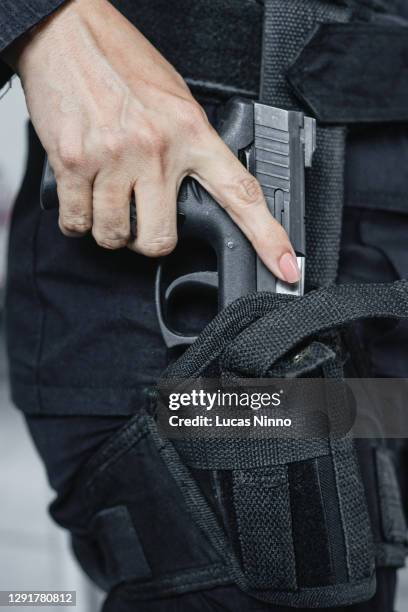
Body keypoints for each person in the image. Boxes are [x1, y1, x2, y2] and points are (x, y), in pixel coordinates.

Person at [0, 0, 407, 610]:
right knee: (274, 571)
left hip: (378, 241)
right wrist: (46, 23)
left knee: (351, 563)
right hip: (172, 161)